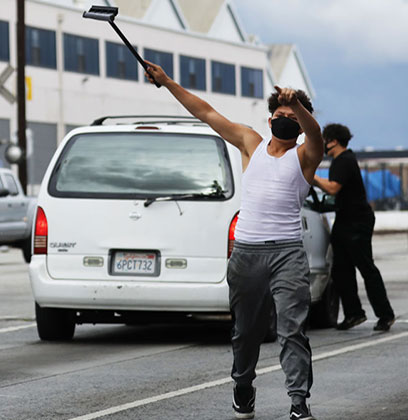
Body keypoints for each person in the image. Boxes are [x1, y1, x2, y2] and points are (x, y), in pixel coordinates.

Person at [145, 61, 323, 420]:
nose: (287, 118)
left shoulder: (305, 156)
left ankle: (298, 402)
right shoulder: (250, 143)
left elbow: (316, 134)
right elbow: (206, 112)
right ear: (270, 119)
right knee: (246, 332)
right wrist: (166, 82)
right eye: (281, 113)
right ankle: (243, 386)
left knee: (291, 330)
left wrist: (299, 106)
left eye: (294, 115)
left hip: (287, 253)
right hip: (246, 252)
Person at [313, 123, 395, 332]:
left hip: (357, 222)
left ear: (334, 141)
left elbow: (333, 188)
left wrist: (312, 176)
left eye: (325, 139)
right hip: (344, 219)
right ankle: (354, 313)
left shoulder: (344, 160)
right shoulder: (342, 161)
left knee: (366, 267)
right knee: (341, 270)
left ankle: (385, 315)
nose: (324, 144)